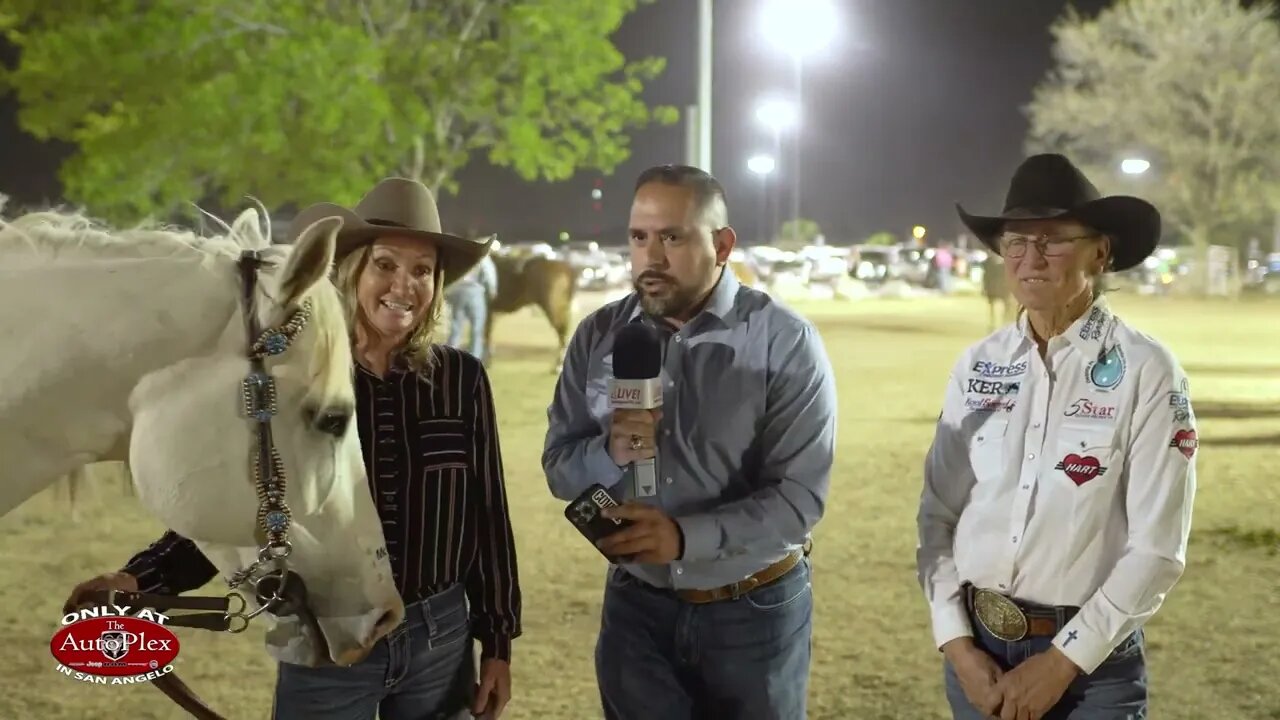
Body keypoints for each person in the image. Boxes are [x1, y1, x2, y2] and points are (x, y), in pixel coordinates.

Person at [64, 178, 522, 720]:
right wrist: (142, 578)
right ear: (351, 271)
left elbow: (487, 515)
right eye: (386, 264)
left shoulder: (461, 379)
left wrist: (497, 644)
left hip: (439, 640)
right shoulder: (299, 379)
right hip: (327, 632)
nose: (405, 285)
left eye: (422, 271)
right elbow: (249, 504)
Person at [542, 164, 838, 720]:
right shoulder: (597, 336)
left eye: (672, 237)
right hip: (635, 611)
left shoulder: (784, 341)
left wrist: (684, 537)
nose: (650, 258)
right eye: (639, 237)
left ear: (722, 244)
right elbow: (559, 467)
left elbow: (799, 501)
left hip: (752, 610)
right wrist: (609, 452)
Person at [916, 154, 1198, 720]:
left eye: (1053, 240)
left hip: (1091, 672)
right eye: (1016, 241)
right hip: (978, 655)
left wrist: (1064, 661)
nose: (1030, 258)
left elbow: (1157, 549)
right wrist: (956, 643)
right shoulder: (977, 364)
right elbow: (937, 515)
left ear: (1102, 251)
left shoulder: (1147, 370)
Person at [446, 247, 498, 362]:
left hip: (458, 291)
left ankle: (449, 356)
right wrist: (492, 290)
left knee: (456, 327)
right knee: (477, 327)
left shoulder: (459, 258)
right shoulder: (482, 258)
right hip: (475, 292)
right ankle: (475, 358)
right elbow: (489, 274)